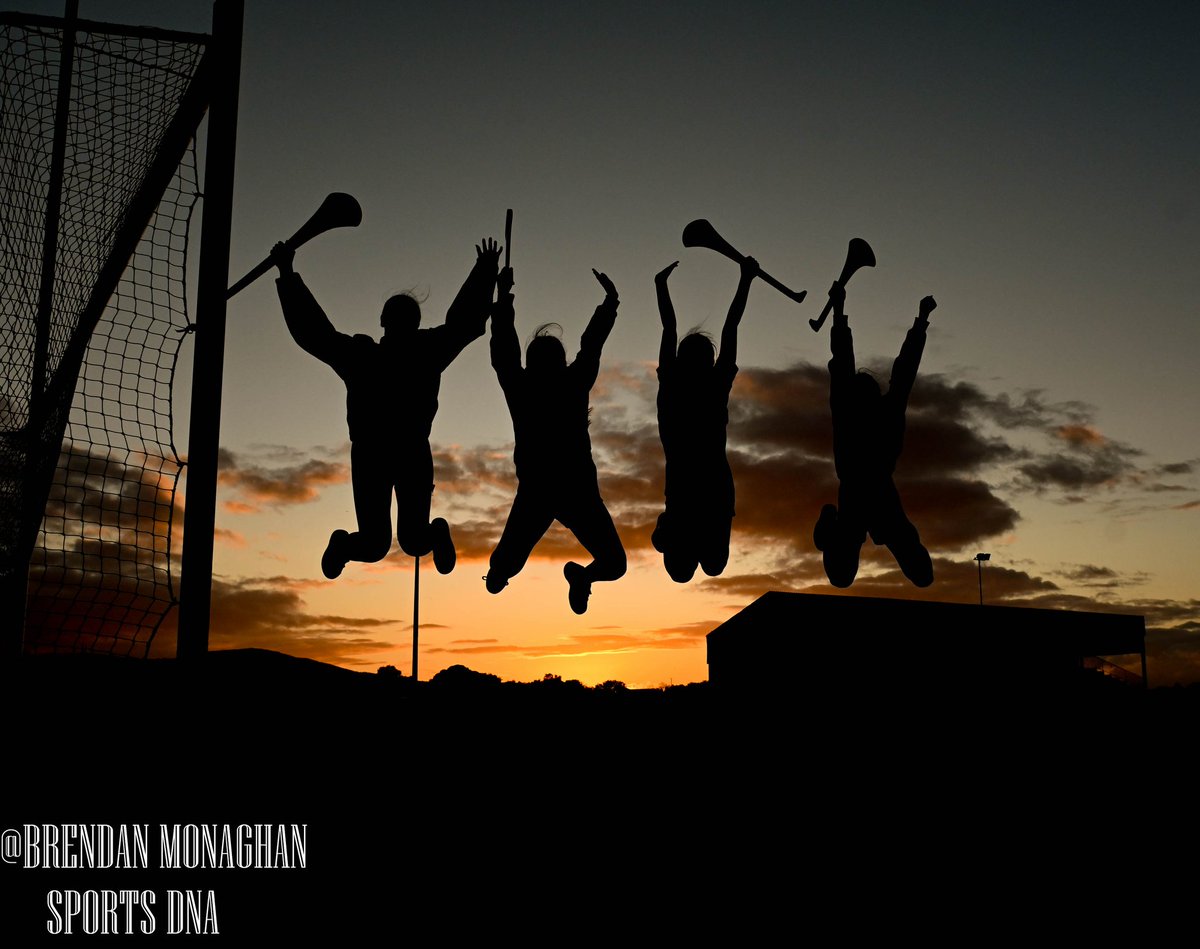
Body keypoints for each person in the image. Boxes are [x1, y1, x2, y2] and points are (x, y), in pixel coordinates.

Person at [270, 238, 500, 579]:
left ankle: (415, 536)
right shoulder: (420, 351)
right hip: (388, 453)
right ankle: (363, 543)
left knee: (394, 542)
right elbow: (462, 325)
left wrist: (288, 273)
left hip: (387, 453)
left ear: (382, 320)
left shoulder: (371, 356)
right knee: (398, 542)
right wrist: (485, 272)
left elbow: (316, 334)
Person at [484, 264, 627, 614]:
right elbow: (590, 347)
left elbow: (504, 352)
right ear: (560, 362)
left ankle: (573, 578)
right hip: (570, 491)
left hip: (544, 491)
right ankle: (580, 577)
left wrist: (504, 299)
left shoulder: (525, 387)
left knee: (503, 568)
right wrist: (609, 304)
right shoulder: (571, 383)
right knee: (613, 564)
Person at [813, 284, 936, 588]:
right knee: (842, 576)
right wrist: (920, 321)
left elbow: (902, 369)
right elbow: (846, 364)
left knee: (921, 574)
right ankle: (829, 521)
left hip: (878, 496)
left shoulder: (875, 411)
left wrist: (921, 322)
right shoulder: (856, 412)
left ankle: (831, 522)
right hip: (861, 497)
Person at [651, 255, 758, 582]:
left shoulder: (681, 383)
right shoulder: (693, 383)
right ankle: (669, 530)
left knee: (708, 567)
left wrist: (661, 286)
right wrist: (745, 280)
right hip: (701, 492)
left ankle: (669, 531)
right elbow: (730, 327)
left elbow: (672, 327)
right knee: (686, 571)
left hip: (705, 493)